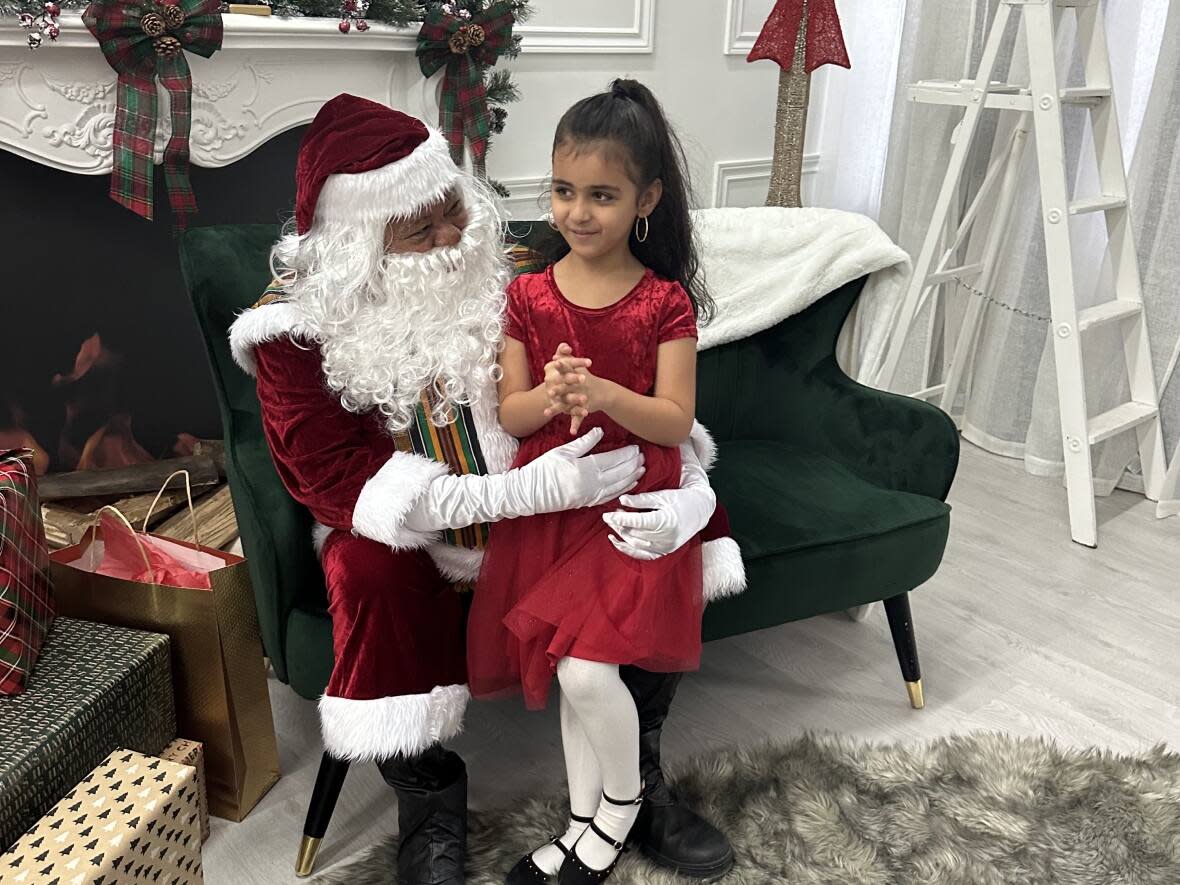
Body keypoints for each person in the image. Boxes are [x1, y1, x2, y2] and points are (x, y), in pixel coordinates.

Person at [227, 93, 745, 885]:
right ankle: (429, 806)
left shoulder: (521, 270)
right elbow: (335, 482)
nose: (449, 239)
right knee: (364, 569)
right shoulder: (292, 332)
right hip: (426, 528)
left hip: (566, 491)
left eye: (453, 215)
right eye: (418, 229)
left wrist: (695, 500)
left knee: (650, 516)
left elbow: (643, 400)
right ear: (358, 241)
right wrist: (520, 496)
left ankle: (635, 782)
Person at [467, 79, 723, 885]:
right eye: (564, 190)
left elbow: (676, 421)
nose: (578, 213)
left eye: (603, 195)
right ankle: (583, 822)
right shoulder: (528, 295)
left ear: (645, 198)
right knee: (576, 676)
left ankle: (615, 813)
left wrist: (608, 394)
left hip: (634, 511)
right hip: (555, 509)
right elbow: (511, 415)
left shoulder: (663, 302)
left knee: (584, 670)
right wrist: (552, 394)